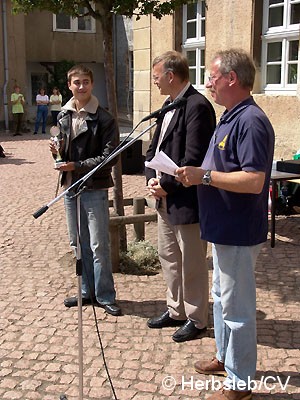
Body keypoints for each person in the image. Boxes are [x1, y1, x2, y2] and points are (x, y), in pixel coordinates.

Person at [176, 49, 275, 400]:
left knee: (238, 309)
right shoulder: (230, 116)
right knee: (220, 300)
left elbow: (253, 180)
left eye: (212, 76)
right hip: (222, 228)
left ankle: (240, 383)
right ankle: (225, 357)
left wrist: (204, 176)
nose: (207, 83)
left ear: (231, 78)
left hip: (237, 230)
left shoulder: (251, 121)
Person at [145, 51, 216, 342]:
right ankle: (176, 310)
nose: (155, 83)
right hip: (164, 198)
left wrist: (168, 185)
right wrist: (151, 178)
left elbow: (195, 158)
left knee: (192, 262)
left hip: (188, 200)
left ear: (171, 76)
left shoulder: (197, 106)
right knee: (169, 258)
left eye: (157, 77)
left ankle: (197, 318)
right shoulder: (168, 104)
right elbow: (153, 149)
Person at [49, 64, 121, 317]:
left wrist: (77, 165)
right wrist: (57, 153)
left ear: (92, 84)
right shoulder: (63, 116)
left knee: (99, 245)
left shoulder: (105, 118)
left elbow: (109, 156)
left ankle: (105, 295)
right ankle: (86, 291)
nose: (81, 87)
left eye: (86, 82)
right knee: (78, 243)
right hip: (70, 186)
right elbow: (64, 151)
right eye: (76, 82)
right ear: (69, 85)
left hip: (94, 186)